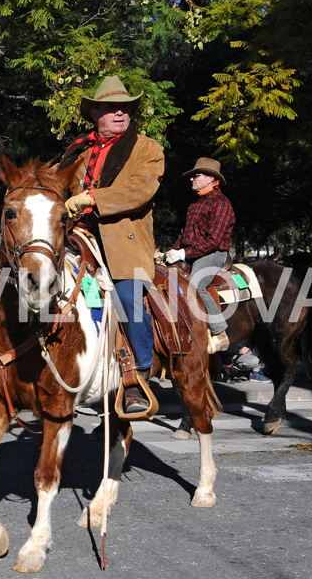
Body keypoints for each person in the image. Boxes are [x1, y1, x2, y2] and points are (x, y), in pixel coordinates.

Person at [60, 75, 164, 414]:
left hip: (123, 243)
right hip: (78, 239)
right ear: (95, 113)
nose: (120, 114)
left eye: (125, 109)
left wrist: (91, 198)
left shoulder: (146, 148)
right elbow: (56, 183)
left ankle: (137, 378)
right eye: (111, 108)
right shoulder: (78, 151)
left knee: (127, 297)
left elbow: (140, 190)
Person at [165, 157, 235, 354]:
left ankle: (220, 333)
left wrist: (183, 253)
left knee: (196, 283)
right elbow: (185, 234)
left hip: (213, 254)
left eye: (197, 175)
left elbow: (214, 241)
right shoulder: (194, 205)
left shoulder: (221, 204)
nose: (192, 179)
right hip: (192, 253)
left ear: (211, 179)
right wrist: (171, 251)